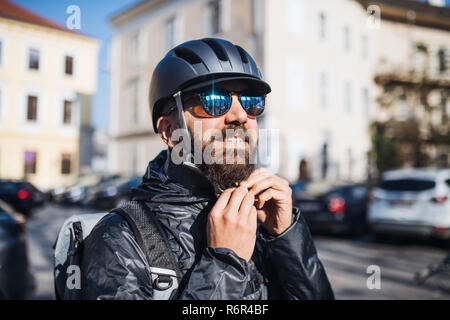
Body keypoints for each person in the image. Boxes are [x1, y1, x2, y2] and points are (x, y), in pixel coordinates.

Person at [80, 38, 334, 300]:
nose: (240, 116)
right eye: (213, 100)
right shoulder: (120, 238)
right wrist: (224, 264)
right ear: (170, 131)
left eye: (251, 101)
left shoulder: (261, 220)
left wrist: (287, 239)